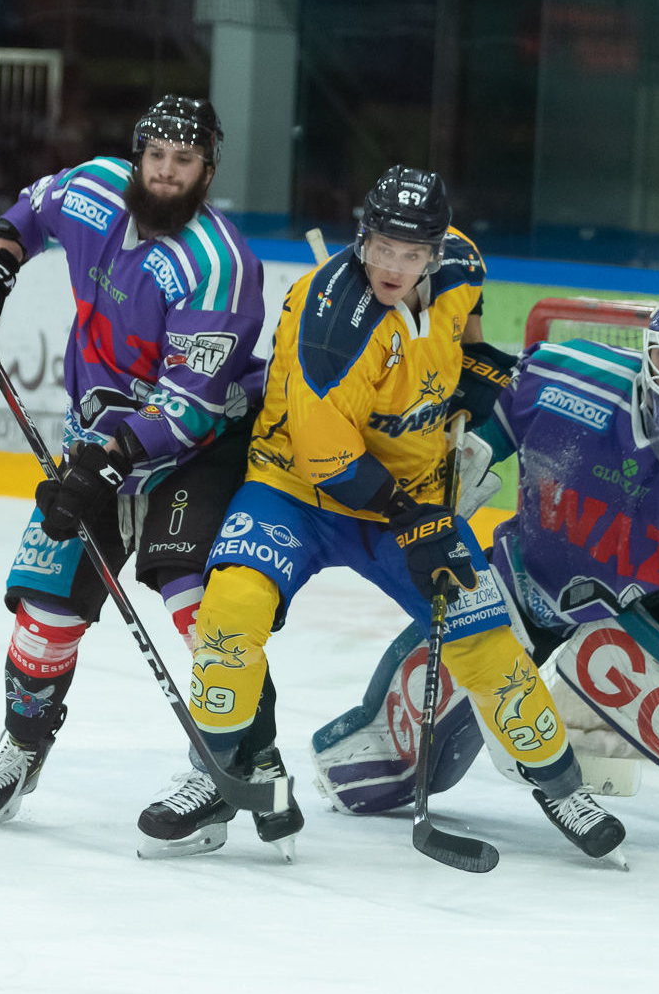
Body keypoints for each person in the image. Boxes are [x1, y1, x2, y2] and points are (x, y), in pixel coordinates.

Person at [313, 290, 659, 859]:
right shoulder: (568, 375)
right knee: (420, 703)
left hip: (628, 616)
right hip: (526, 570)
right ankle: (366, 762)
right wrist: (448, 471)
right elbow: (482, 441)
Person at [173, 165, 628, 861]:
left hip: (411, 495)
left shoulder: (462, 269)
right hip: (296, 486)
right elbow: (329, 460)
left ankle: (561, 785)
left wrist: (476, 375)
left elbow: (464, 339)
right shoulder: (331, 324)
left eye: (410, 253)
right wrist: (415, 520)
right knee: (233, 608)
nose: (391, 265)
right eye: (380, 246)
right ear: (361, 238)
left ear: (435, 254)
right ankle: (216, 773)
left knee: (487, 642)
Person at [0, 96, 300, 856]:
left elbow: (188, 407)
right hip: (97, 442)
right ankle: (22, 750)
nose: (166, 175)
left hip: (198, 448)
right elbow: (30, 212)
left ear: (207, 170)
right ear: (137, 157)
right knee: (46, 610)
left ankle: (237, 760)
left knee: (203, 609)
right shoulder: (94, 190)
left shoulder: (220, 265)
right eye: (155, 158)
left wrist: (105, 462)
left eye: (184, 162)